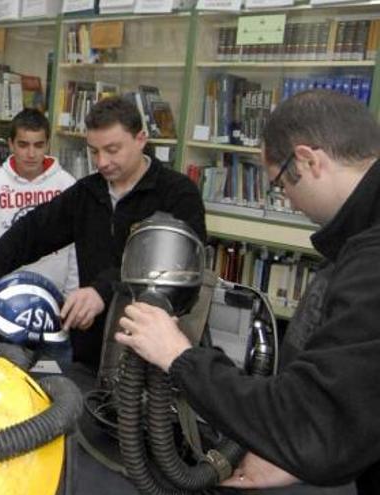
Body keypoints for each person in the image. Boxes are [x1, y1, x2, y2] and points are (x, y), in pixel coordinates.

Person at [116, 89, 380, 494]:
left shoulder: (370, 263)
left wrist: (178, 356)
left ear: (309, 161)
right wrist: (297, 453)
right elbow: (358, 411)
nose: (287, 201)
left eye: (279, 184)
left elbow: (312, 415)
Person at [0, 96, 206, 369]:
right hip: (91, 350)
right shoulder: (87, 193)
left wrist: (102, 291)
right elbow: (33, 230)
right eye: (94, 151)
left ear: (141, 138)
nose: (101, 162)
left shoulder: (178, 194)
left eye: (112, 150)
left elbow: (167, 268)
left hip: (155, 353)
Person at [0, 108, 78, 298]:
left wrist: (72, 296)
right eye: (23, 145)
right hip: (0, 296)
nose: (31, 154)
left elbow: (76, 251)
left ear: (48, 145)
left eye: (38, 145)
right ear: (11, 144)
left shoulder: (67, 185)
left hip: (54, 296)